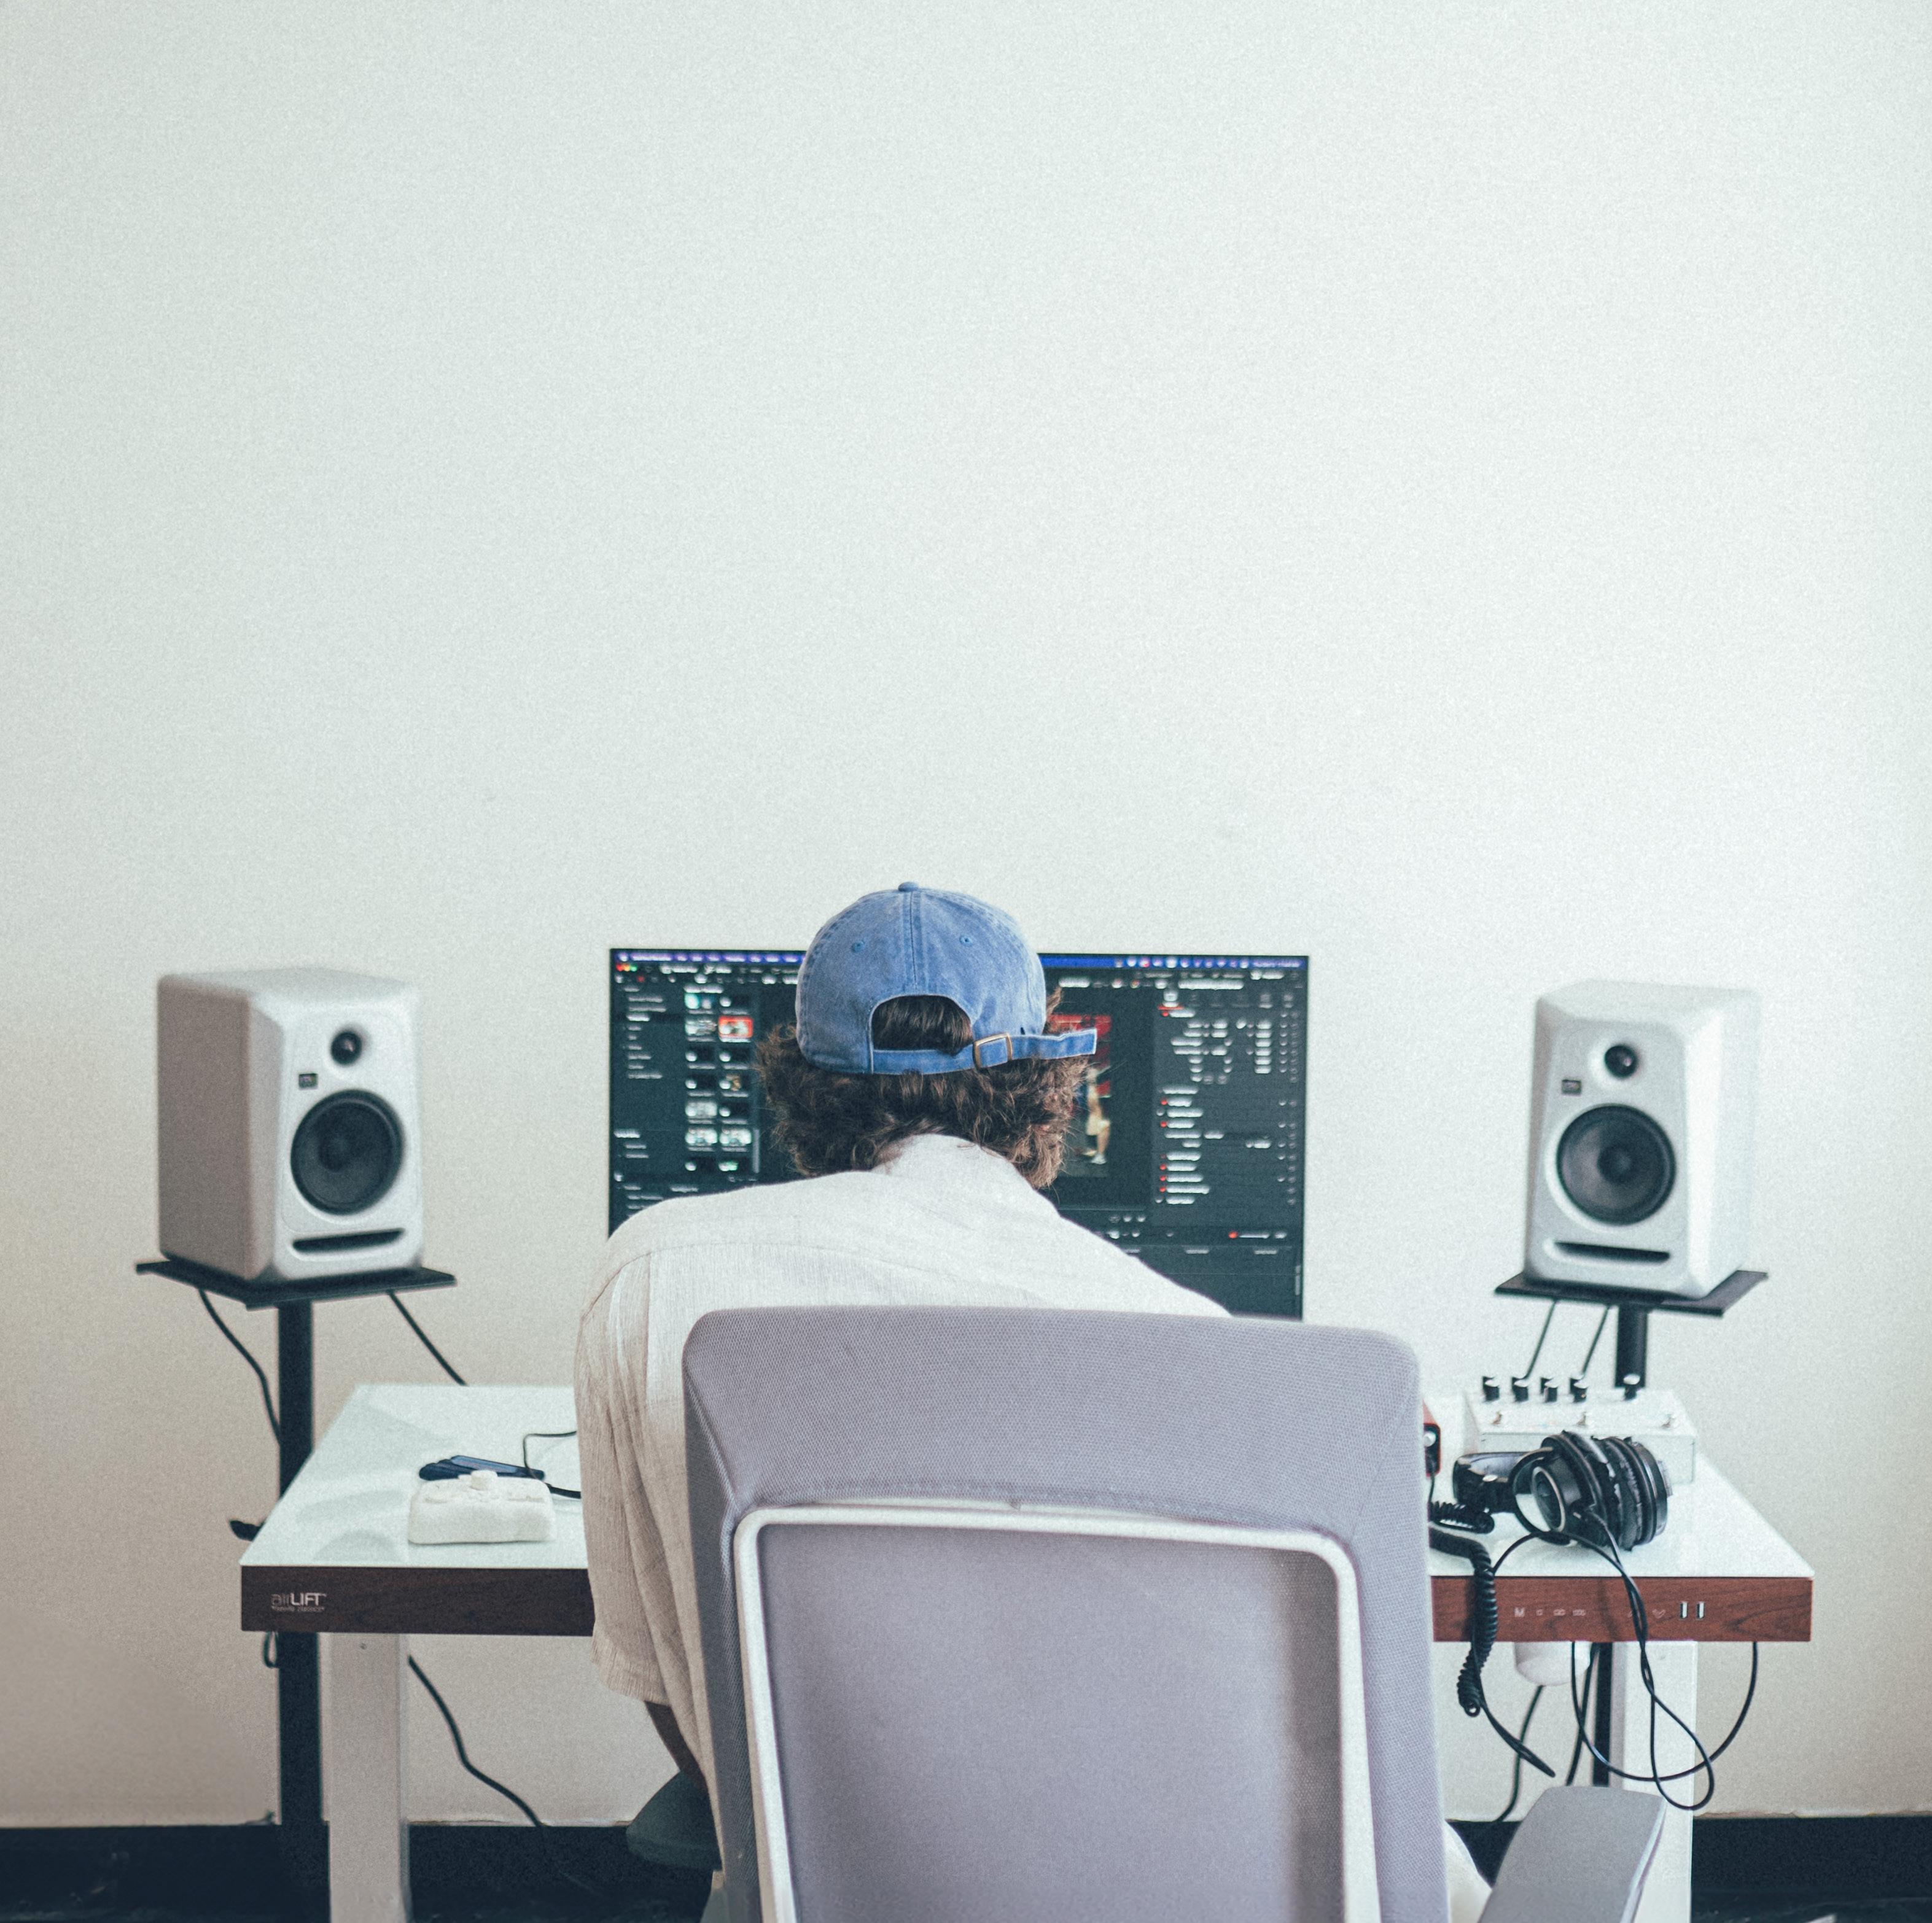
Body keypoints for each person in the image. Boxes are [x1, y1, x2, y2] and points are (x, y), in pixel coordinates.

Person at [575, 883, 1489, 1921]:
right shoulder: (1196, 1346)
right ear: (1047, 1084)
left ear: (801, 1086)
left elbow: (672, 1684)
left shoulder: (649, 1278)